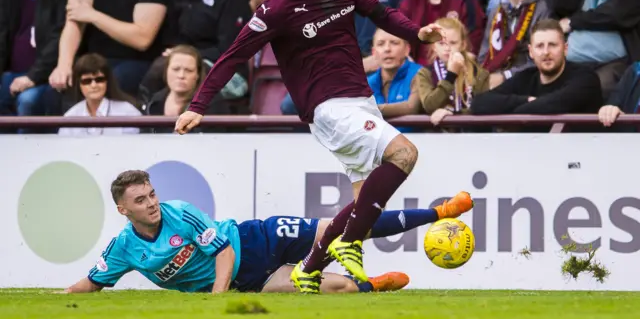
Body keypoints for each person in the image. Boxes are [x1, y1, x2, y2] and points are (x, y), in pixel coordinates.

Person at [174, 0, 471, 293]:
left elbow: (379, 12)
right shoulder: (277, 8)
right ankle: (343, 246)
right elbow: (231, 57)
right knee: (405, 154)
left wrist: (417, 32)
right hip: (328, 108)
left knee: (364, 210)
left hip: (361, 101)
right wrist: (198, 105)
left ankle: (310, 266)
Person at [62, 170, 475, 294]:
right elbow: (92, 283)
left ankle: (441, 211)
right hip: (252, 281)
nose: (152, 203)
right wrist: (58, 299)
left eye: (152, 195)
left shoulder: (179, 213)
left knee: (344, 228)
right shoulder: (124, 248)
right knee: (337, 291)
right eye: (141, 201)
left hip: (259, 239)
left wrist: (216, 301)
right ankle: (373, 287)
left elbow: (223, 253)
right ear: (123, 210)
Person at [471, 18, 603, 117]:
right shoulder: (525, 78)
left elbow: (553, 105)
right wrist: (524, 100)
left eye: (552, 45)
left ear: (565, 48)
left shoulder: (585, 77)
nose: (546, 52)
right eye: (540, 46)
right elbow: (478, 103)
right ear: (530, 52)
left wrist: (514, 113)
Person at [416, 17, 489, 127]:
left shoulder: (480, 74)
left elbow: (483, 108)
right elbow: (429, 105)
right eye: (441, 43)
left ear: (463, 45)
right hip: (437, 137)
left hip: (472, 136)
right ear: (433, 46)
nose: (447, 48)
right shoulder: (425, 73)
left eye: (453, 43)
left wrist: (452, 115)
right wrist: (451, 75)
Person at [58, 54, 141, 136]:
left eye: (99, 80)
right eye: (87, 81)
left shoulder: (128, 112)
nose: (94, 85)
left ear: (107, 81)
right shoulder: (70, 117)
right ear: (78, 85)